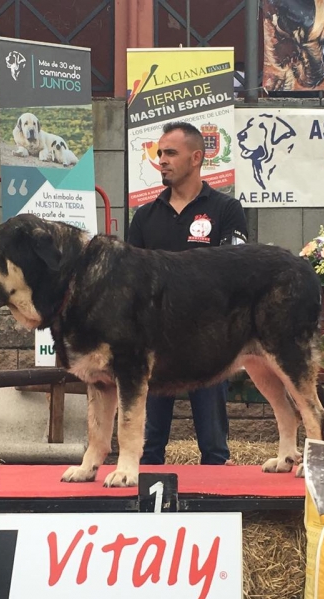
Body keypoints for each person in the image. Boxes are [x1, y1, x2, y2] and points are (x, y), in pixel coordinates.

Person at [127, 121, 248, 465]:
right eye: (159, 153)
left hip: (210, 342)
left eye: (170, 153)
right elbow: (131, 282)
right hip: (154, 344)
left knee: (213, 446)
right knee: (148, 447)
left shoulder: (226, 210)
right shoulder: (145, 215)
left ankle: (218, 512)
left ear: (196, 158)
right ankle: (143, 513)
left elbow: (234, 273)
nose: (161, 160)